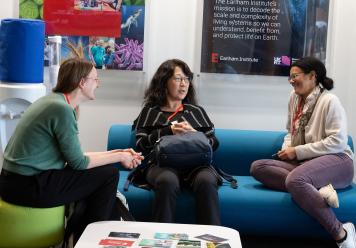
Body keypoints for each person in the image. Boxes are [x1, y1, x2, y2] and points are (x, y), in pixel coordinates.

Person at [0, 58, 143, 243]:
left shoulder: (55, 102)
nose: (98, 84)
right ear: (82, 82)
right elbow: (79, 163)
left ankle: (85, 237)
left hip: (17, 182)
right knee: (109, 175)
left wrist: (119, 152)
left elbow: (76, 156)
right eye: (95, 79)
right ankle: (89, 241)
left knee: (103, 174)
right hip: (27, 186)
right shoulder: (61, 109)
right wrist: (118, 156)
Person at [250, 57, 356, 248]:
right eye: (290, 77)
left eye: (295, 76)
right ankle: (315, 190)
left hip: (338, 161)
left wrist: (297, 151)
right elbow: (291, 132)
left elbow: (338, 142)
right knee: (258, 167)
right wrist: (287, 149)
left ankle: (342, 233)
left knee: (295, 180)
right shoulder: (294, 98)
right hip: (305, 164)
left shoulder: (330, 101)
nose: (291, 80)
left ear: (312, 76)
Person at [132, 59, 221, 225]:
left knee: (207, 181)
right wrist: (168, 131)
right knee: (168, 180)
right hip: (160, 165)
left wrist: (196, 133)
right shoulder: (150, 111)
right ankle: (160, 239)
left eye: (187, 79)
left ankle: (211, 236)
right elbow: (140, 144)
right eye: (179, 79)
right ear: (164, 81)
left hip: (197, 165)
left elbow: (214, 144)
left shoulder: (196, 111)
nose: (184, 84)